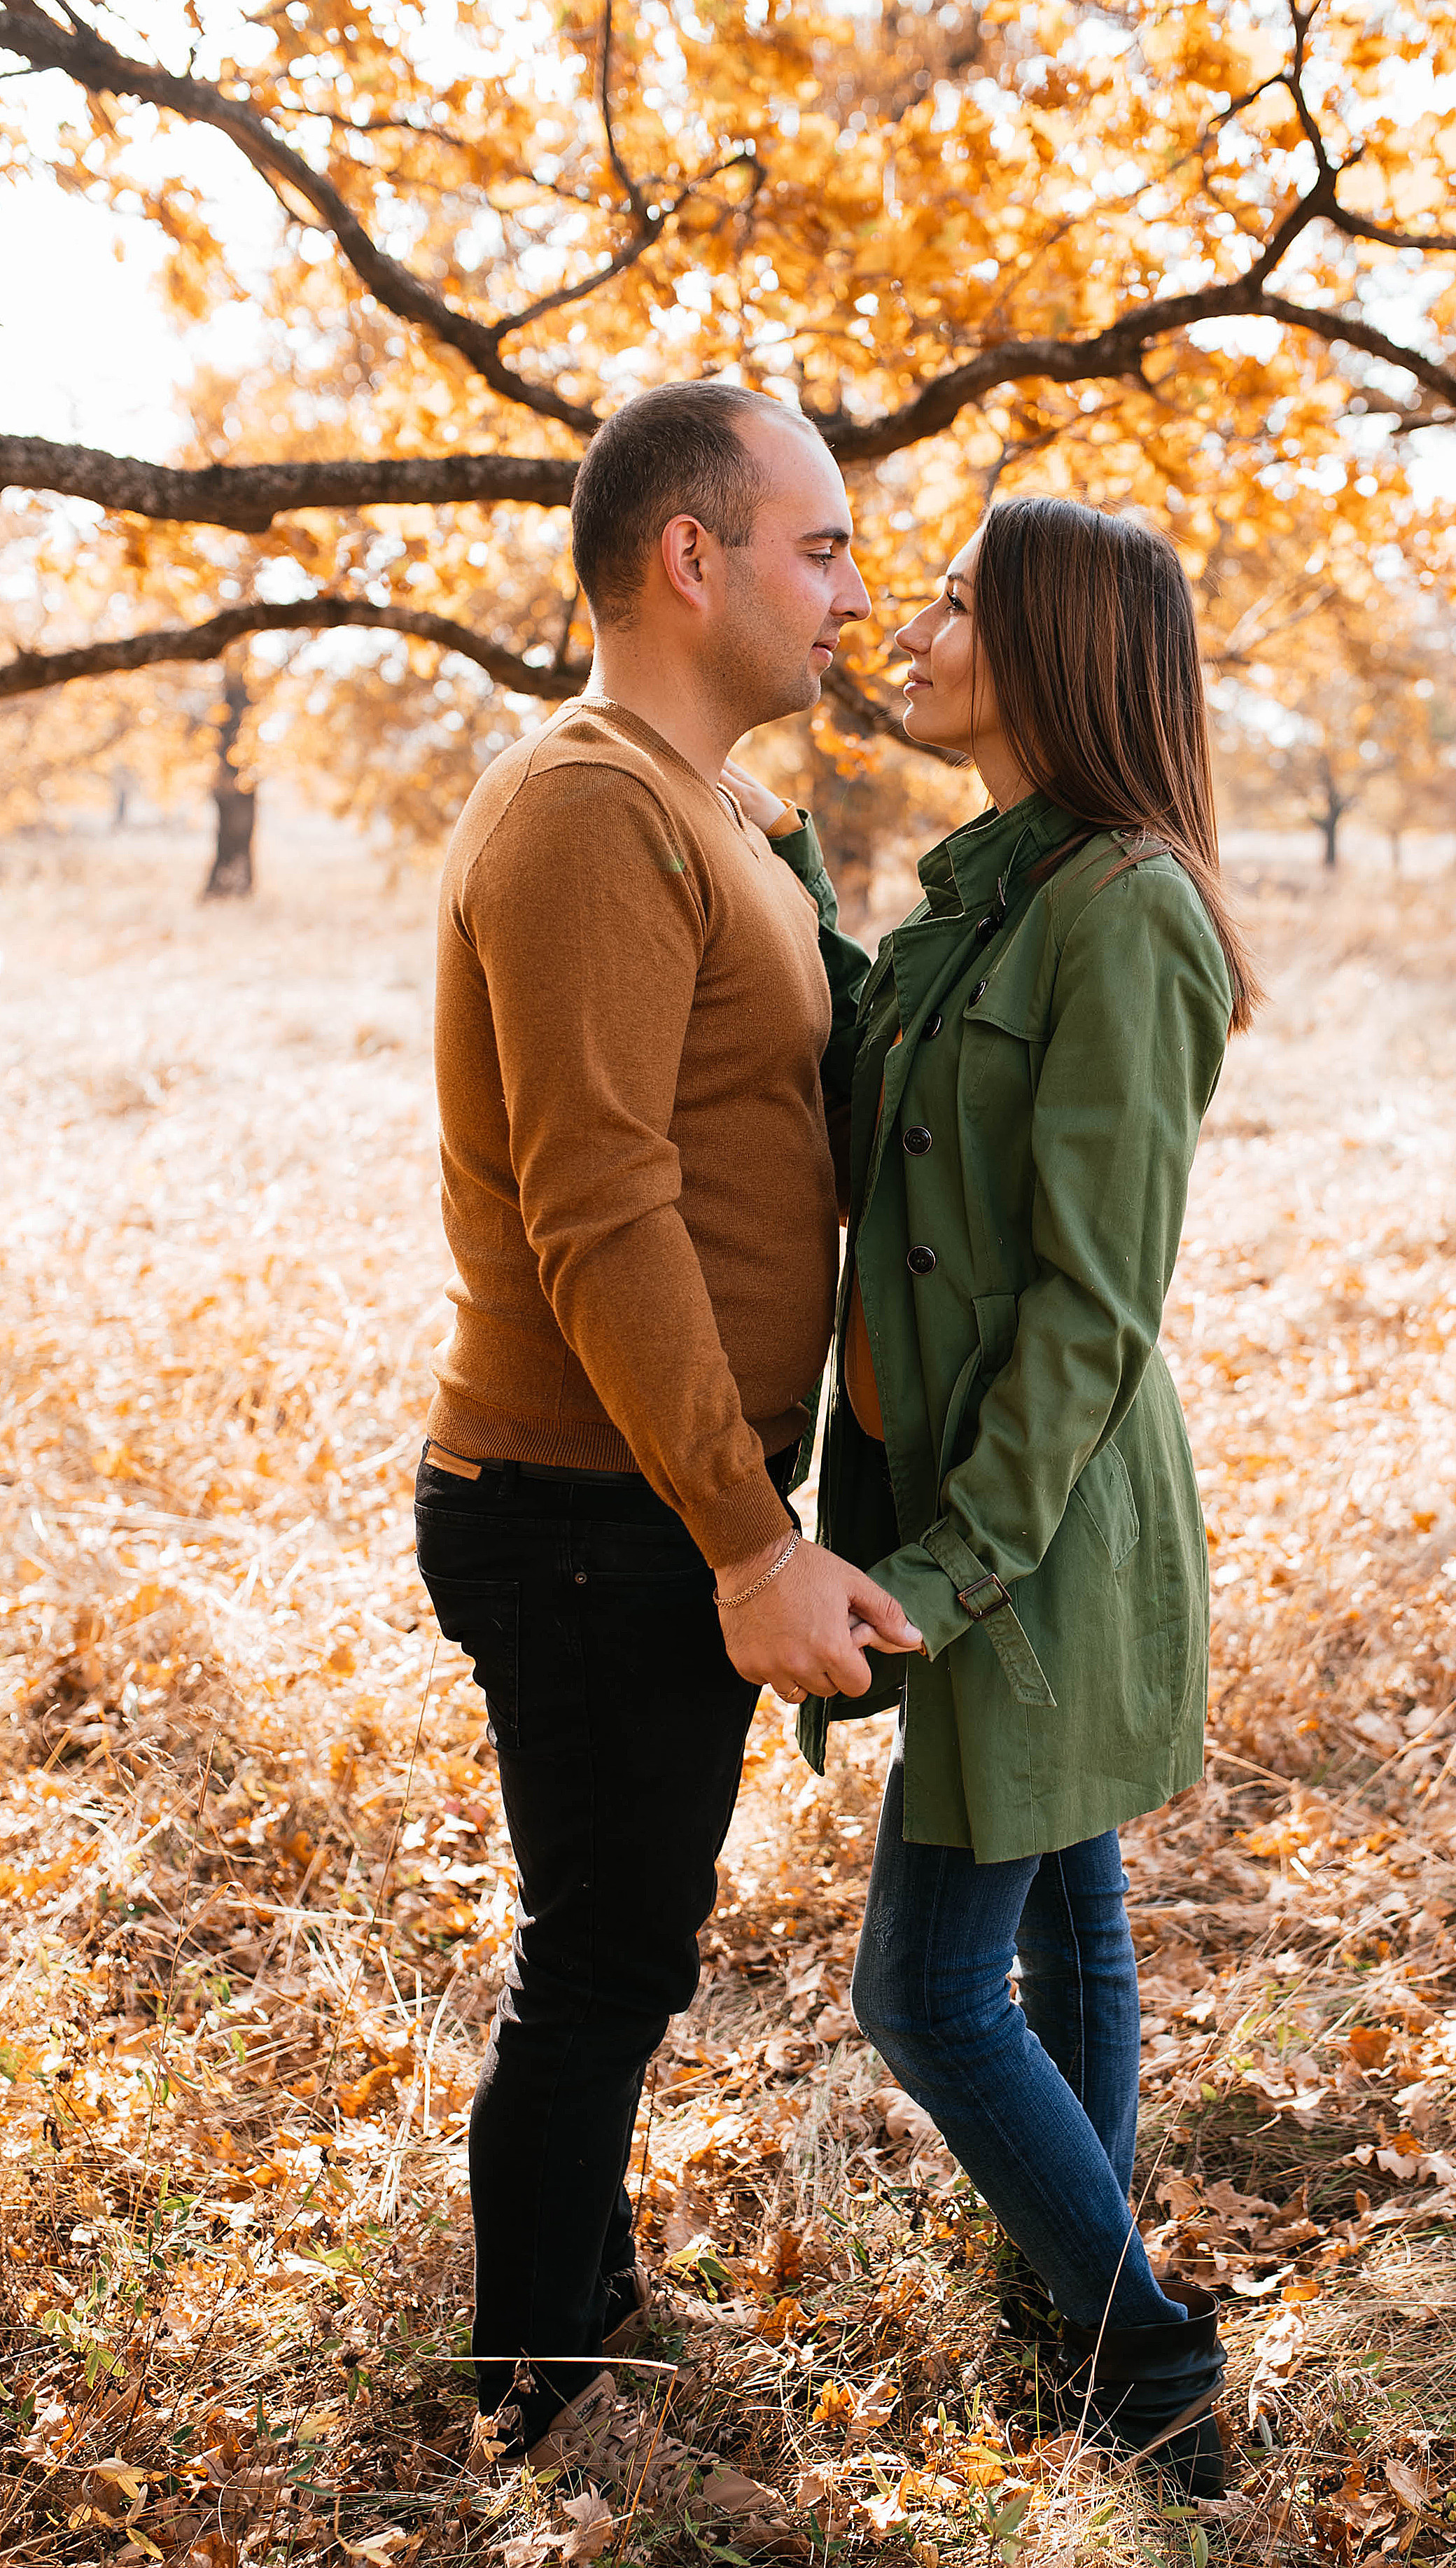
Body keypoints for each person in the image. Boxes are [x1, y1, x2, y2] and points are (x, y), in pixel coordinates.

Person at [727, 495, 1259, 2494]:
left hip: (1030, 1525)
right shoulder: (998, 896)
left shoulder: (1128, 907)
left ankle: (1152, 2354)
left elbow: (1093, 1308)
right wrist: (785, 879)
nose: (911, 621)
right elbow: (906, 1087)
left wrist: (947, 1568)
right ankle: (1077, 2289)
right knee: (1072, 1919)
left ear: (1052, 644)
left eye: (956, 599)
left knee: (925, 1986)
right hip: (974, 1499)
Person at [414, 382, 921, 2459]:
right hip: (582, 1501)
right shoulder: (584, 808)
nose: (854, 591)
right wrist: (747, 1536)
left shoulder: (704, 809)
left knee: (628, 1938)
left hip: (638, 1500)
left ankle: (579, 2307)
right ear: (691, 558)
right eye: (819, 546)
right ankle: (542, 2384)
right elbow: (599, 1199)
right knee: (606, 1956)